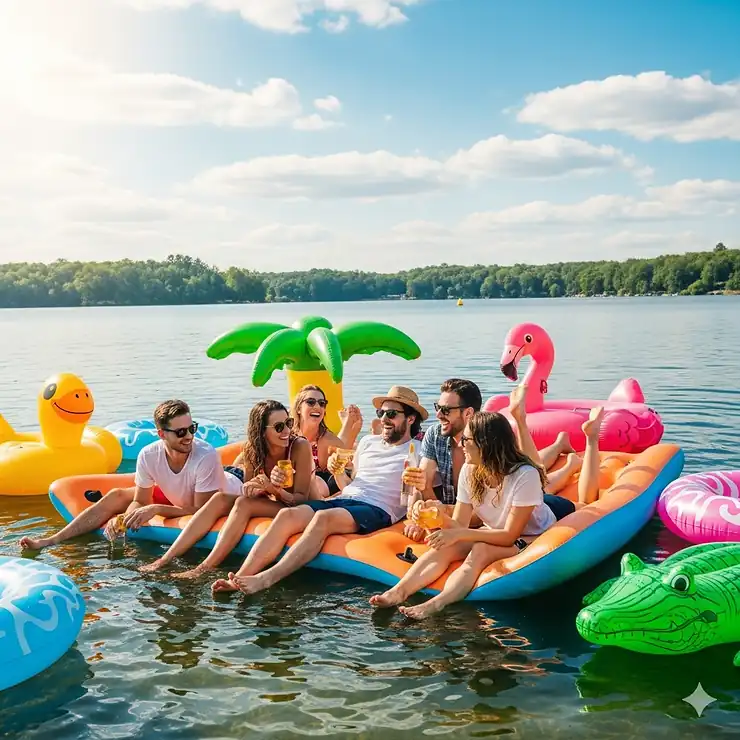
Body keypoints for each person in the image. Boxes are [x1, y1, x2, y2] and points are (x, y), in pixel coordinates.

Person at [369, 403, 606, 619]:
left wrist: (459, 533)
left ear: (487, 444)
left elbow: (509, 535)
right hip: (503, 521)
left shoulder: (524, 474)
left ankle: (437, 604)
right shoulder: (471, 471)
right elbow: (460, 526)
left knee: (580, 503)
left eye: (468, 440)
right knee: (446, 544)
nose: (461, 445)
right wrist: (440, 518)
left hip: (533, 529)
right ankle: (398, 592)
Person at [210, 385, 429, 596]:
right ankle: (238, 577)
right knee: (288, 514)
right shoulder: (368, 442)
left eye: (391, 413)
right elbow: (351, 484)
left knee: (323, 518)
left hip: (379, 508)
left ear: (410, 419)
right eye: (381, 412)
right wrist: (338, 473)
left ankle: (266, 579)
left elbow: (421, 494)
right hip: (348, 498)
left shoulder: (418, 452)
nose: (384, 419)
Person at [19, 399, 241, 552]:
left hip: (229, 486)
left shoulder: (205, 455)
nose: (188, 436)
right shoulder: (149, 454)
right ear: (162, 434)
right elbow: (140, 500)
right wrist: (123, 519)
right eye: (181, 432)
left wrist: (155, 509)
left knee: (240, 469)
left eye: (192, 428)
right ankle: (51, 540)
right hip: (179, 494)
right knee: (118, 495)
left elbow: (201, 511)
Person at [138, 399, 314, 577]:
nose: (286, 431)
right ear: (262, 431)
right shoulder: (253, 449)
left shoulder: (299, 446)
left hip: (298, 506)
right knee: (219, 499)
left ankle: (204, 568)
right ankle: (165, 559)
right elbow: (250, 491)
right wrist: (256, 488)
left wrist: (274, 488)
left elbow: (302, 499)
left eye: (288, 423)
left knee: (243, 505)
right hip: (274, 502)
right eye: (278, 427)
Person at [292, 385, 363, 497]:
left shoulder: (327, 439)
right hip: (297, 483)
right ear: (299, 409)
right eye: (310, 402)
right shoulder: (289, 435)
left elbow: (348, 461)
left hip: (323, 482)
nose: (317, 406)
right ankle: (347, 425)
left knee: (321, 479)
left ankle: (349, 427)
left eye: (322, 403)